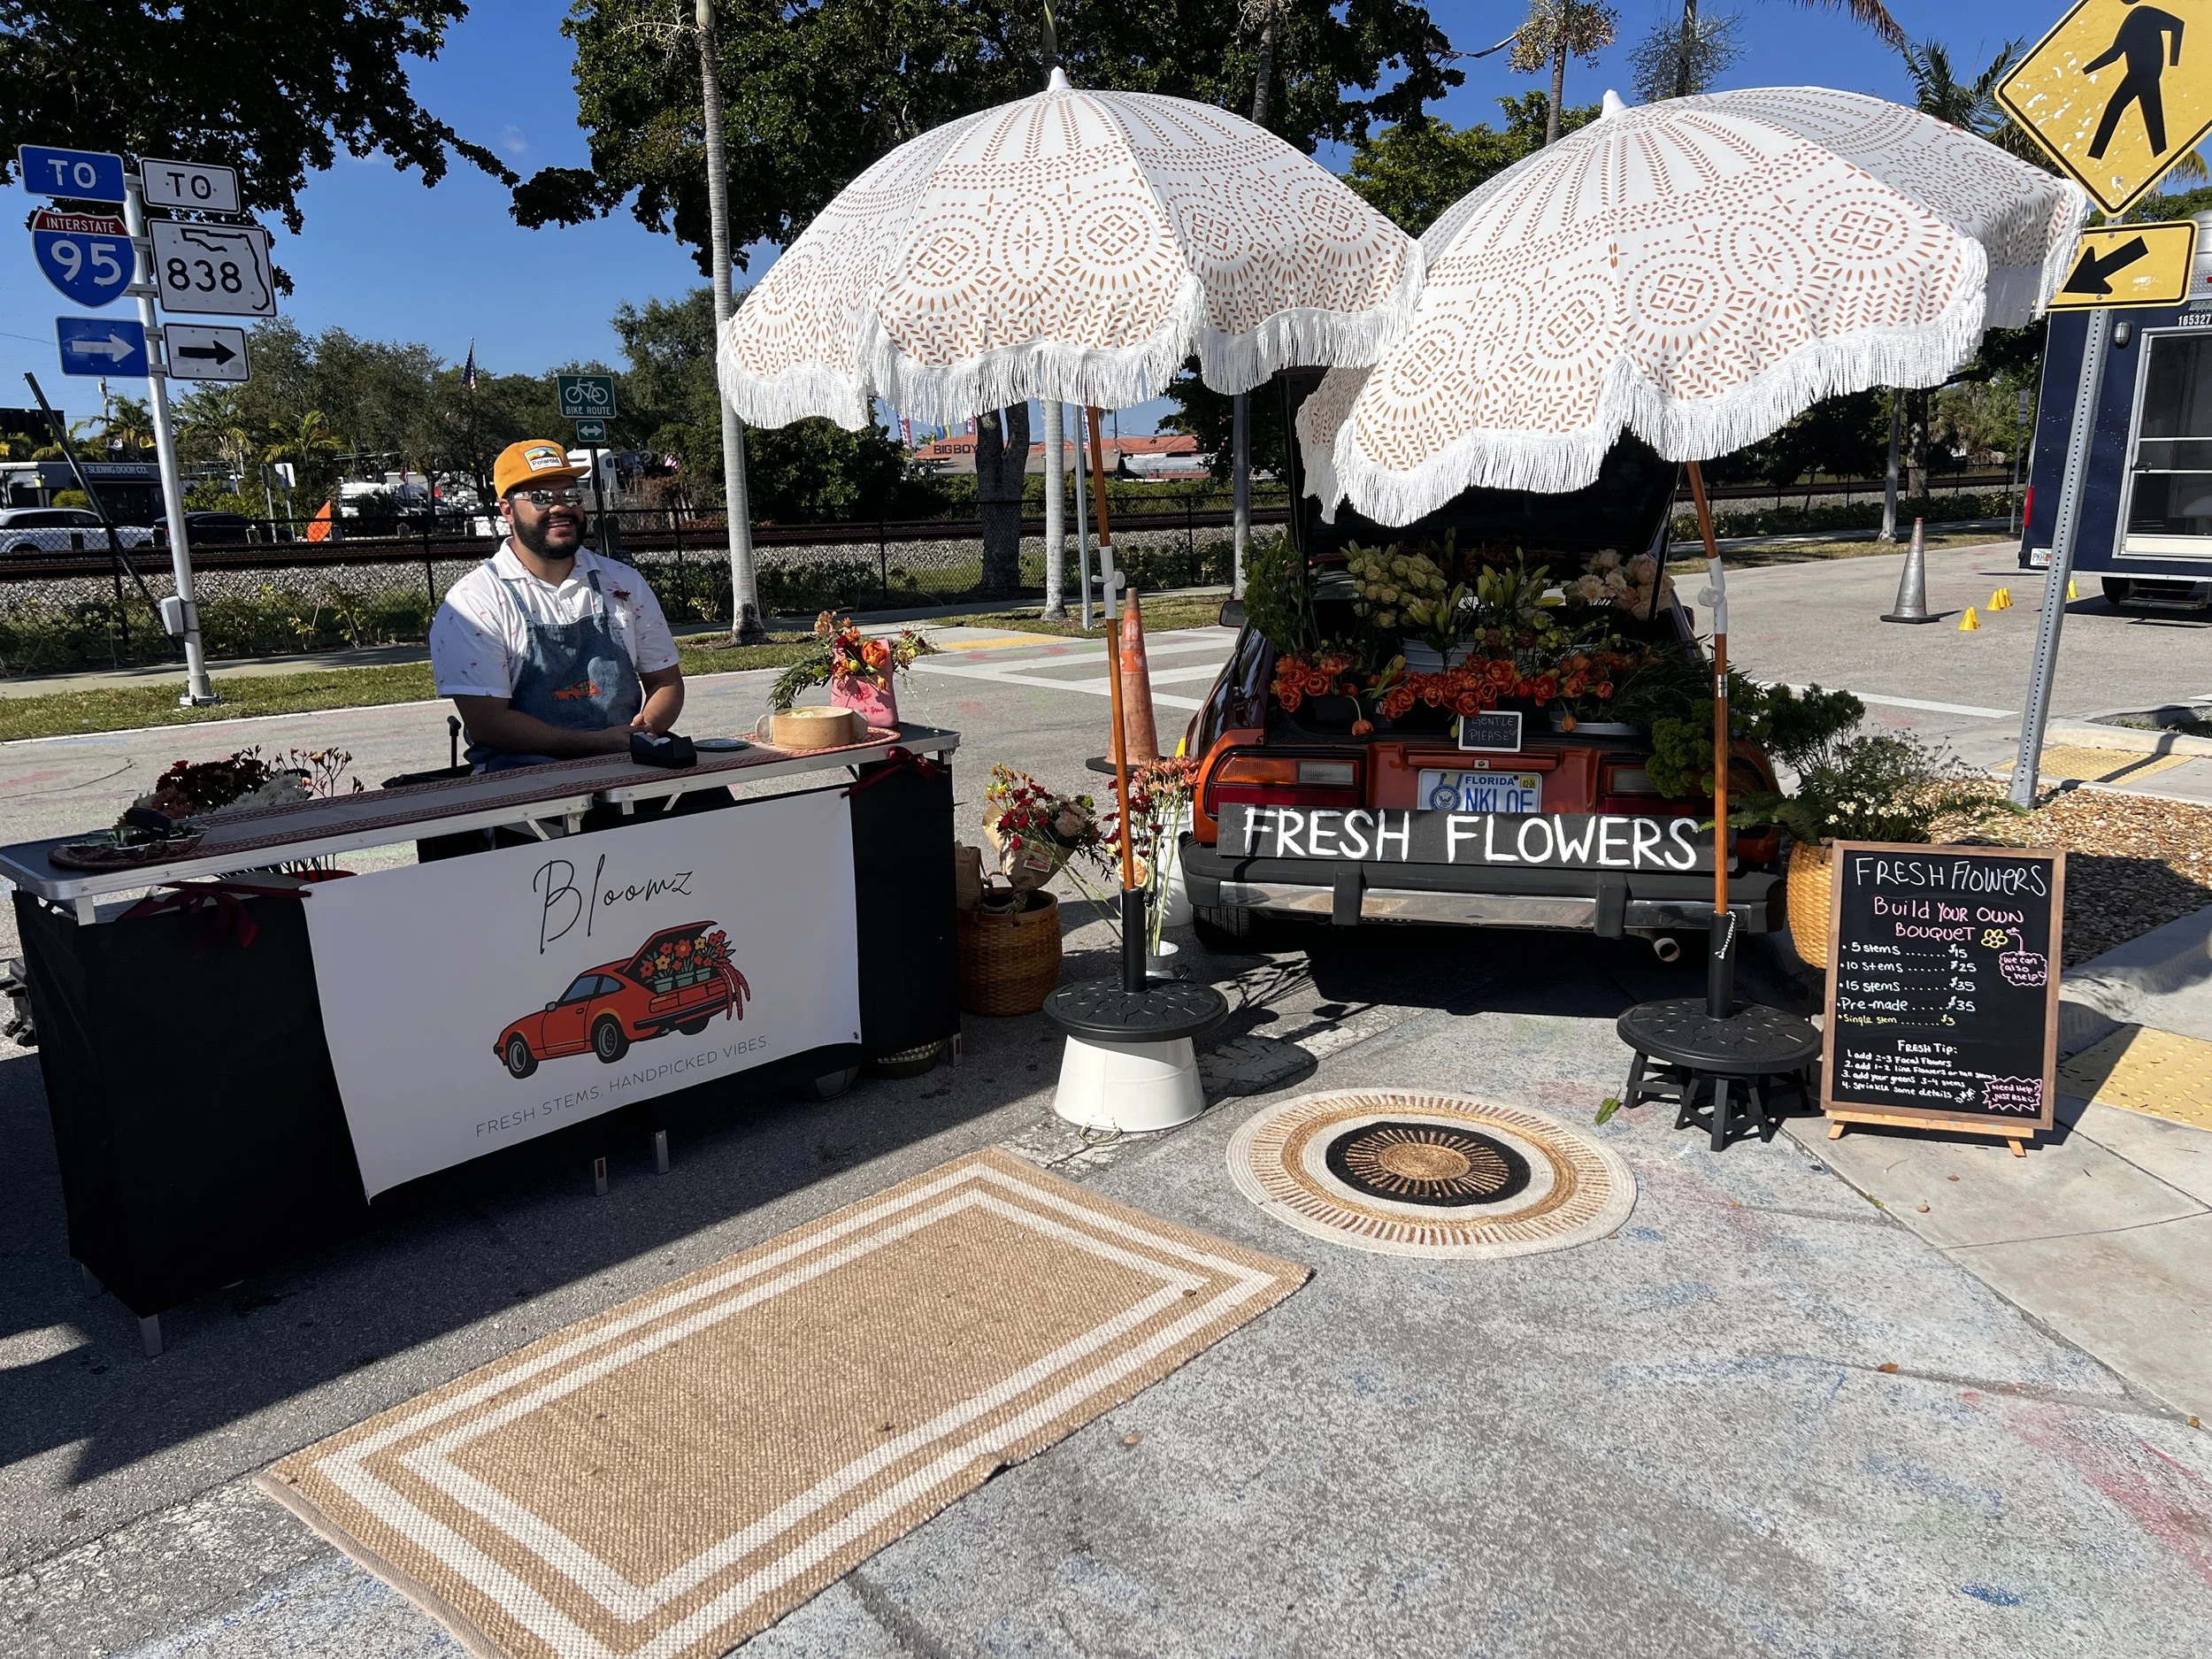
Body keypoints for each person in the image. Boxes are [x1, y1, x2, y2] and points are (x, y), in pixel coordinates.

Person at [431, 439, 683, 772]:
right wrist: (596, 744)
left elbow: (666, 682)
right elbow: (488, 723)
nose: (560, 507)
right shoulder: (473, 602)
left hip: (626, 758)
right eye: (541, 498)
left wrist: (641, 732)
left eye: (570, 495)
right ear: (507, 510)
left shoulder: (623, 583)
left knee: (711, 802)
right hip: (520, 774)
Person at [2085, 0, 2185, 161]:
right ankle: (2094, 157)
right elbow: (2115, 53)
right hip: (2139, 75)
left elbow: (2178, 25)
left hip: (2145, 74)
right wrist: (2085, 71)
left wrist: (2173, 62)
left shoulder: (2145, 14)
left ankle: (2094, 156)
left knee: (2115, 108)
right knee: (2152, 120)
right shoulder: (2132, 19)